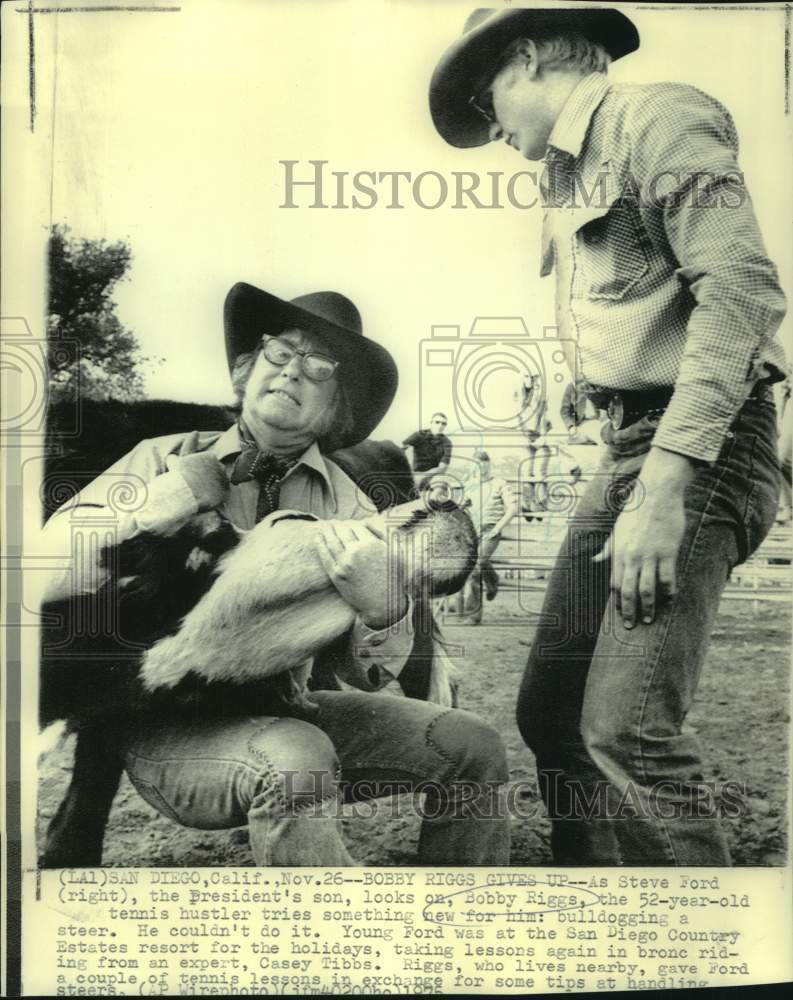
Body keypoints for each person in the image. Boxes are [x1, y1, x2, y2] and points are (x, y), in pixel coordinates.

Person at [430, 7, 786, 864]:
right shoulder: (561, 179)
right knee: (549, 714)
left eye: (485, 102)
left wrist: (664, 490)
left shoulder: (656, 117)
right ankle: (600, 918)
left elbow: (738, 291)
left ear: (524, 58)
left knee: (627, 735)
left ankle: (711, 953)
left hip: (698, 452)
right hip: (629, 451)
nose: (489, 129)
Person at [39, 281, 510, 866]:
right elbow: (36, 578)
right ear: (247, 370)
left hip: (287, 709)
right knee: (297, 756)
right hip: (163, 726)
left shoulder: (354, 506)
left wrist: (381, 609)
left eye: (318, 367)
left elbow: (371, 675)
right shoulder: (161, 458)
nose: (291, 373)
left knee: (473, 746)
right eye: (279, 353)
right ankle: (323, 943)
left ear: (340, 405)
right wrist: (154, 507)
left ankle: (462, 920)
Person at [456, 449, 520, 624]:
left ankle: (472, 616)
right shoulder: (469, 484)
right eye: (476, 465)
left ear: (489, 465)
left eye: (484, 465)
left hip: (490, 529)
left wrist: (498, 528)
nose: (480, 469)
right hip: (471, 532)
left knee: (476, 566)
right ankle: (493, 579)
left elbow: (513, 508)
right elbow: (461, 506)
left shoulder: (500, 483)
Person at [403, 412, 453, 486]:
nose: (440, 426)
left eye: (443, 424)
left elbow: (443, 468)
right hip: (416, 474)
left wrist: (423, 476)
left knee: (440, 483)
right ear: (431, 423)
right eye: (437, 422)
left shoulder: (447, 442)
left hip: (433, 476)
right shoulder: (419, 435)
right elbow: (401, 448)